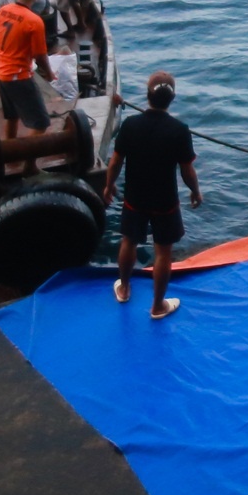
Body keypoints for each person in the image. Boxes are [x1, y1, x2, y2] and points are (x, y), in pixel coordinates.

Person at [103, 71, 202, 319]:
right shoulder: (179, 130)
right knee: (163, 252)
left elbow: (116, 161)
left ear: (147, 95)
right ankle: (158, 306)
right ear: (172, 98)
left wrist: (109, 185)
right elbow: (187, 170)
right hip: (165, 201)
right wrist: (195, 191)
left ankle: (124, 289)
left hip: (135, 197)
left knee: (129, 241)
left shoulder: (130, 125)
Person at [0, 0, 55, 138]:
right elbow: (40, 56)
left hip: (1, 72)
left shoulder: (3, 11)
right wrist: (49, 73)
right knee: (41, 123)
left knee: (12, 116)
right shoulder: (34, 21)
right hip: (18, 76)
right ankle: (28, 155)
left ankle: (9, 150)